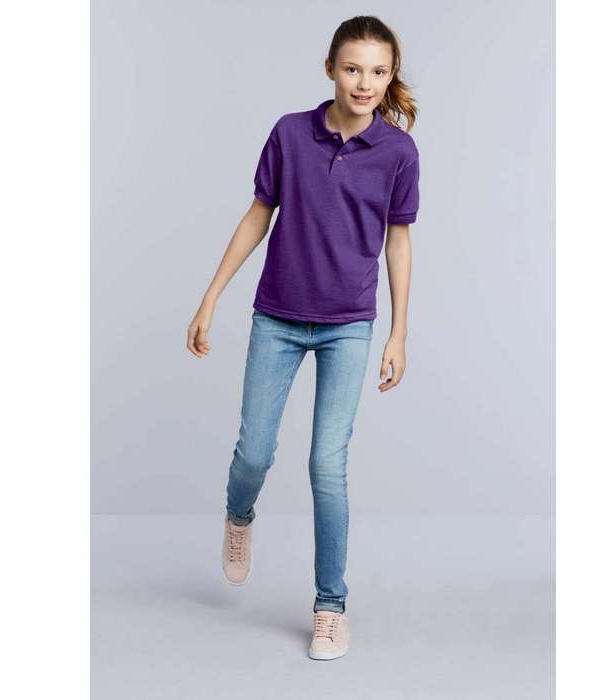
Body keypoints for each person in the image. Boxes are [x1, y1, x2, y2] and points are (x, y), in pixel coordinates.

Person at [186, 15, 420, 661]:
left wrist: (399, 331)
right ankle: (239, 515)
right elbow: (257, 215)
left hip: (349, 325)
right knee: (254, 453)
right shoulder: (291, 133)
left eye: (378, 71)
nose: (365, 82)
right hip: (279, 317)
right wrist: (210, 297)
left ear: (390, 76)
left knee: (327, 464)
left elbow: (399, 242)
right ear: (330, 69)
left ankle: (330, 607)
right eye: (353, 68)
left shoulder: (399, 154)